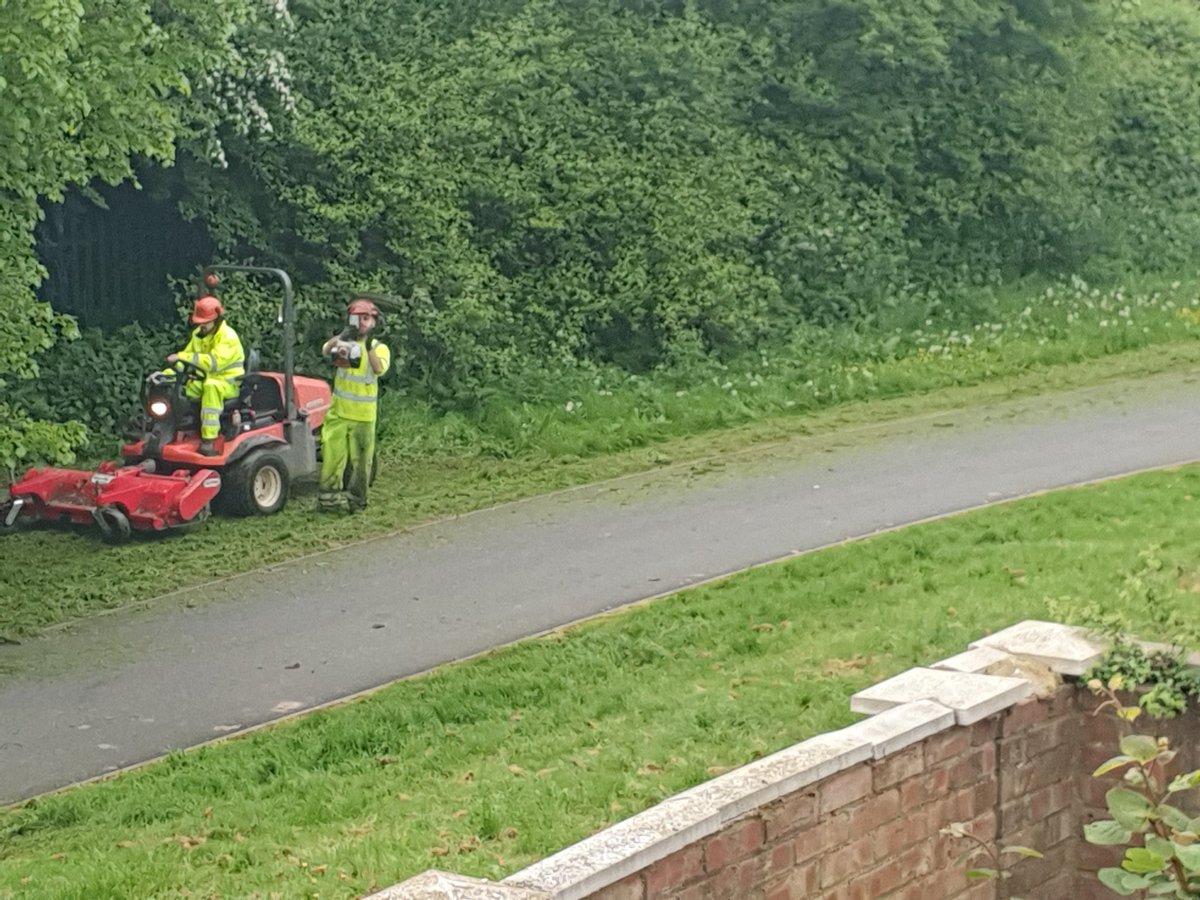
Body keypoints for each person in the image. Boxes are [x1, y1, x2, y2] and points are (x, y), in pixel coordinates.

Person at [317, 298, 391, 512]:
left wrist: (366, 347)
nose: (361, 323)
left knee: (361, 464)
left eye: (366, 319)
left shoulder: (379, 348)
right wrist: (342, 336)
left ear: (375, 323)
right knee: (332, 458)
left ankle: (357, 500)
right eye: (357, 318)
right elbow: (325, 350)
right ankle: (328, 500)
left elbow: (379, 369)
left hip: (363, 417)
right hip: (338, 413)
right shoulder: (342, 343)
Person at [161, 295, 245, 456]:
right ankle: (164, 428)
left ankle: (209, 440)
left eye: (204, 323)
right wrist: (172, 372)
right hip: (202, 377)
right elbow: (187, 356)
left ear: (217, 319)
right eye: (199, 323)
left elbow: (213, 363)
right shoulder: (198, 335)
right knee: (169, 380)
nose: (201, 326)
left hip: (227, 383)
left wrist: (181, 358)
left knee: (211, 386)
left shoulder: (228, 337)